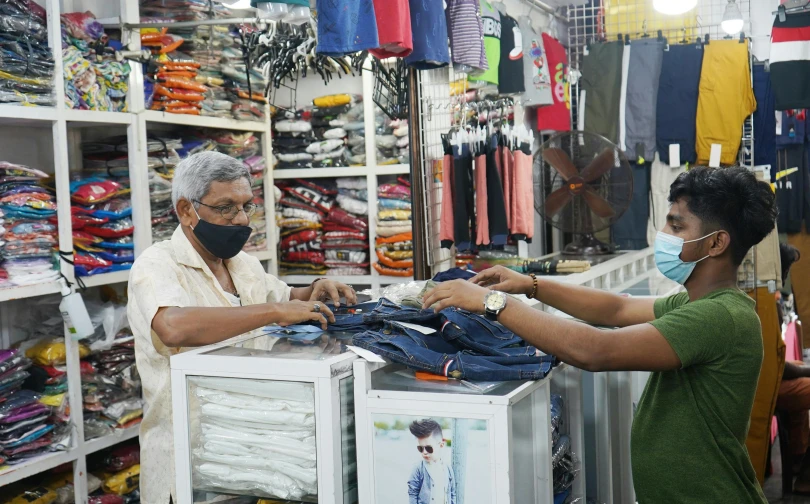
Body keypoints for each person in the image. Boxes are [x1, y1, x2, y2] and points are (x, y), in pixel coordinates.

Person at [424, 166, 778, 502]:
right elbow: (616, 309)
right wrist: (530, 285)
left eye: (677, 226)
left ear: (716, 244)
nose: (664, 236)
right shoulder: (699, 302)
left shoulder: (718, 317)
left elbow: (596, 351)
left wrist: (494, 303)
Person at [127, 151, 356, 504]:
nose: (241, 219)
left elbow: (283, 296)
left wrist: (313, 289)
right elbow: (172, 326)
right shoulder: (156, 265)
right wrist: (273, 311)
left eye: (247, 206)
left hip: (249, 448)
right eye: (225, 208)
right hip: (189, 455)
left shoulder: (240, 263)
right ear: (187, 210)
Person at [407, 419, 456, 504]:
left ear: (441, 445)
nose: (424, 452)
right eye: (420, 448)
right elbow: (412, 493)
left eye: (429, 448)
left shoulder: (447, 468)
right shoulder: (418, 468)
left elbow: (452, 493)